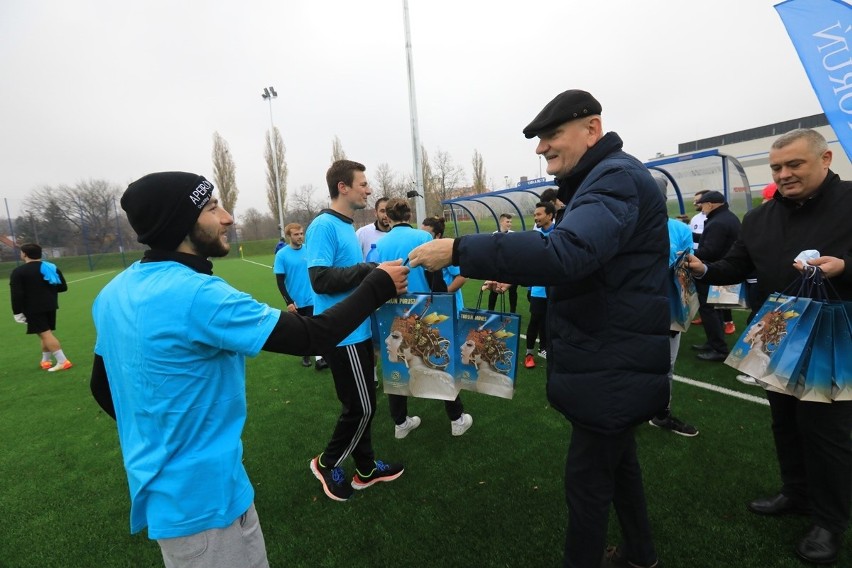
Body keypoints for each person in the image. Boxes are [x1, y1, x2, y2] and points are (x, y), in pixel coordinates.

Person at [89, 171, 407, 568]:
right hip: (209, 499)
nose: (227, 218)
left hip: (165, 495)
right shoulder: (199, 294)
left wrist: (161, 441)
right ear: (179, 224)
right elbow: (312, 336)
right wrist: (379, 283)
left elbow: (103, 388)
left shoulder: (113, 292)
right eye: (211, 208)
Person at [409, 89, 668, 568]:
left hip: (611, 361)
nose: (541, 148)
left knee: (588, 485)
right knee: (620, 465)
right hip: (611, 358)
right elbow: (573, 252)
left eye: (552, 135)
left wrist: (460, 250)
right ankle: (640, 554)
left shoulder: (615, 178)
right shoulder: (600, 180)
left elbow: (565, 252)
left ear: (592, 129)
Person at [685, 128, 852, 565]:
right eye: (778, 167)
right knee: (784, 421)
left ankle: (829, 521)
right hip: (779, 333)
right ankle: (795, 494)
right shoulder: (761, 218)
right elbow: (736, 266)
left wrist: (846, 267)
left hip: (836, 333)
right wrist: (704, 267)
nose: (785, 174)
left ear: (826, 159)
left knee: (826, 431)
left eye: (795, 164)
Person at [305, 160, 406, 502]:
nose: (369, 189)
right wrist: (370, 271)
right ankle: (326, 462)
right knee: (360, 408)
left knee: (362, 403)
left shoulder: (346, 225)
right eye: (363, 183)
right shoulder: (323, 225)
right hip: (341, 332)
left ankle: (365, 469)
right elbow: (318, 280)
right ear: (343, 187)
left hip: (359, 329)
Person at [376, 198, 473, 439]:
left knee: (396, 364)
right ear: (409, 215)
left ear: (388, 216)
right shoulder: (423, 238)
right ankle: (457, 418)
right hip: (425, 309)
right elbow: (435, 275)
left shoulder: (381, 243)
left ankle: (400, 423)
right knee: (438, 361)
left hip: (394, 310)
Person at [648, 177, 698, 437]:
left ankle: (661, 413)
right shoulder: (623, 226)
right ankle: (630, 411)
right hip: (632, 312)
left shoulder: (679, 230)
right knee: (630, 365)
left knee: (665, 367)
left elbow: (685, 272)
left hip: (668, 311)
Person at [690, 190, 742, 362]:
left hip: (714, 271)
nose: (701, 208)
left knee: (709, 310)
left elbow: (710, 251)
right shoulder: (728, 217)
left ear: (710, 204)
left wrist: (688, 252)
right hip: (725, 270)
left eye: (702, 204)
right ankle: (714, 342)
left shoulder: (717, 222)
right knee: (716, 309)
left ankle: (718, 348)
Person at [9, 243, 72, 372]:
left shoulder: (18, 272)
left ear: (25, 254)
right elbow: (62, 287)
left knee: (45, 334)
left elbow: (17, 294)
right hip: (51, 305)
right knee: (45, 333)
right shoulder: (51, 267)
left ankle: (62, 361)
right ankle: (46, 361)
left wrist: (17, 312)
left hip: (33, 308)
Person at [273, 222, 323, 368]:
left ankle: (319, 358)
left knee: (315, 326)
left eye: (301, 233)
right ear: (289, 236)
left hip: (313, 298)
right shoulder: (282, 255)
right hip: (295, 301)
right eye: (296, 234)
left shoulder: (309, 250)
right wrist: (288, 301)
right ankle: (305, 355)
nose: (300, 237)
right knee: (301, 330)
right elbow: (280, 282)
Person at [524, 201, 555, 369]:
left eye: (539, 214)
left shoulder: (559, 233)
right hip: (537, 289)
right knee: (535, 320)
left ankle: (545, 348)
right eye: (535, 215)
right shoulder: (535, 236)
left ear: (550, 215)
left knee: (550, 321)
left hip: (555, 288)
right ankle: (529, 353)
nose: (536, 218)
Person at [420, 216, 467, 317]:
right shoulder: (427, 251)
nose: (423, 238)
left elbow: (462, 277)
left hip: (451, 307)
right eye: (421, 233)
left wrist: (444, 295)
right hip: (436, 307)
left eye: (427, 234)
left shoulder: (447, 251)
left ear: (438, 235)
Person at [487, 213, 518, 313]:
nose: (509, 224)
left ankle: (512, 313)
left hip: (511, 269)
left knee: (513, 291)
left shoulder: (514, 235)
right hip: (497, 269)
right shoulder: (494, 235)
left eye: (510, 222)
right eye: (507, 221)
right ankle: (490, 312)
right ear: (501, 222)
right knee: (494, 291)